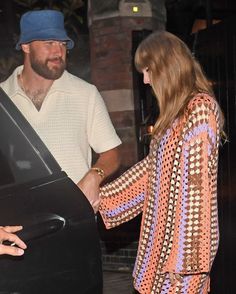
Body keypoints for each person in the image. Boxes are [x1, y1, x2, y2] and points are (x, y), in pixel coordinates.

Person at [98, 31, 224, 293]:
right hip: (162, 242)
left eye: (147, 70)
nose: (145, 79)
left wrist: (184, 263)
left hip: (182, 253)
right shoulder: (174, 116)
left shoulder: (199, 110)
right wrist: (101, 198)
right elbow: (151, 173)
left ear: (167, 67)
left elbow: (195, 191)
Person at [0, 10, 121, 208]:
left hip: (74, 217)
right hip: (17, 222)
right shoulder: (3, 99)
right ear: (26, 46)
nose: (58, 52)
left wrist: (94, 175)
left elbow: (112, 153)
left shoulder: (85, 94)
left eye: (63, 44)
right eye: (49, 43)